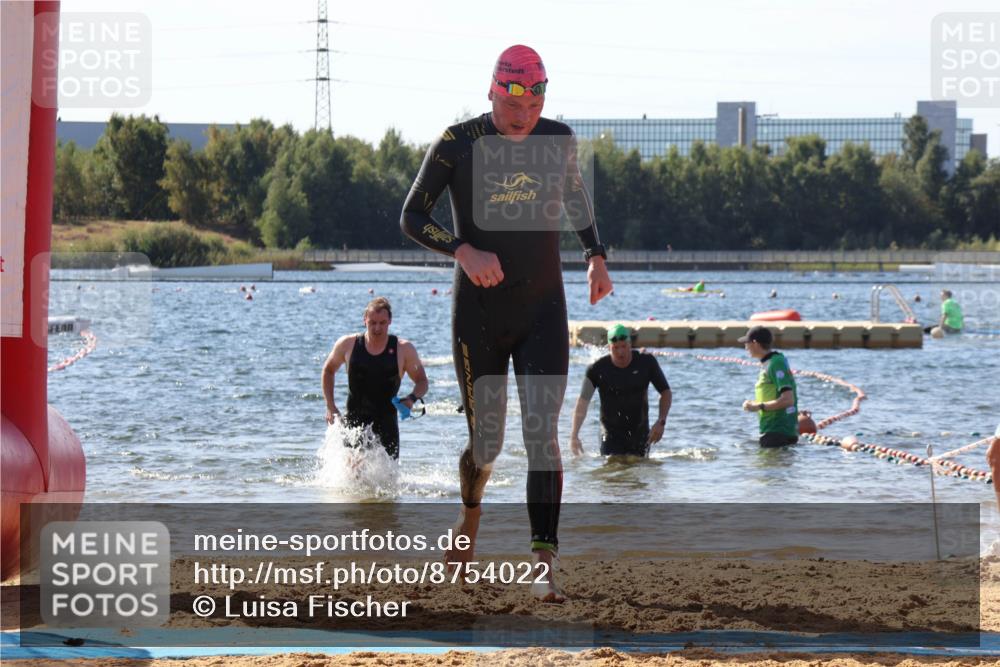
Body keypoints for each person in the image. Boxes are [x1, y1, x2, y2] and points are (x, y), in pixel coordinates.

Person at [400, 44, 613, 602]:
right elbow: (412, 215)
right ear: (493, 91)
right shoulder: (458, 143)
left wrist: (596, 255)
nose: (522, 119)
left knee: (542, 435)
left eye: (533, 106)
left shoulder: (557, 139)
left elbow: (574, 194)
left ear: (543, 97)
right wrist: (462, 251)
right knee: (486, 445)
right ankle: (470, 514)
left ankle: (544, 563)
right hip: (480, 316)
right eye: (512, 105)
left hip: (544, 309)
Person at [321, 297, 428, 460]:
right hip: (354, 423)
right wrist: (330, 406)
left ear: (390, 321)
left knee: (388, 482)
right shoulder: (348, 345)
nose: (377, 328)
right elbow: (328, 370)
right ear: (365, 320)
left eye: (382, 323)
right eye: (372, 322)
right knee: (352, 477)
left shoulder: (403, 349)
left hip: (387, 424)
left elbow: (422, 381)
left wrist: (411, 398)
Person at [569, 324, 672, 458]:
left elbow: (666, 392)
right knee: (612, 470)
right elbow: (583, 402)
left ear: (630, 344)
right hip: (610, 434)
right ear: (609, 347)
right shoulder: (597, 369)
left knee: (638, 473)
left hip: (639, 433)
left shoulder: (646, 362)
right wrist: (574, 435)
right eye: (615, 348)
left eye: (624, 346)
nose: (620, 352)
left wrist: (661, 421)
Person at [740, 325, 799, 447]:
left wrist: (758, 406)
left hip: (777, 431)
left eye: (747, 343)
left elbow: (788, 399)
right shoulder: (772, 361)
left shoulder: (775, 363)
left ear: (755, 343)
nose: (745, 347)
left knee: (768, 465)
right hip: (776, 430)